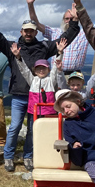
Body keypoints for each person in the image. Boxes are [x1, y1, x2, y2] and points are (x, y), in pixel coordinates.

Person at [0, 0, 80, 173]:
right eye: (25, 30)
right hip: (19, 96)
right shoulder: (13, 47)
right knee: (15, 127)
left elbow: (65, 40)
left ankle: (28, 156)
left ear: (35, 32)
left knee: (33, 130)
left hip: (39, 98)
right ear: (21, 31)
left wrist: (74, 22)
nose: (28, 33)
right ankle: (9, 156)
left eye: (31, 31)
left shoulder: (43, 46)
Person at [10, 39, 66, 172]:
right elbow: (24, 70)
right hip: (33, 112)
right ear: (35, 70)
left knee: (49, 134)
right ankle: (28, 156)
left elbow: (55, 70)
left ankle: (47, 155)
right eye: (39, 68)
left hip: (48, 113)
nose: (41, 70)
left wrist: (60, 53)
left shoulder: (51, 81)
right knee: (31, 133)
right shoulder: (33, 80)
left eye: (44, 68)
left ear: (48, 69)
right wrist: (18, 57)